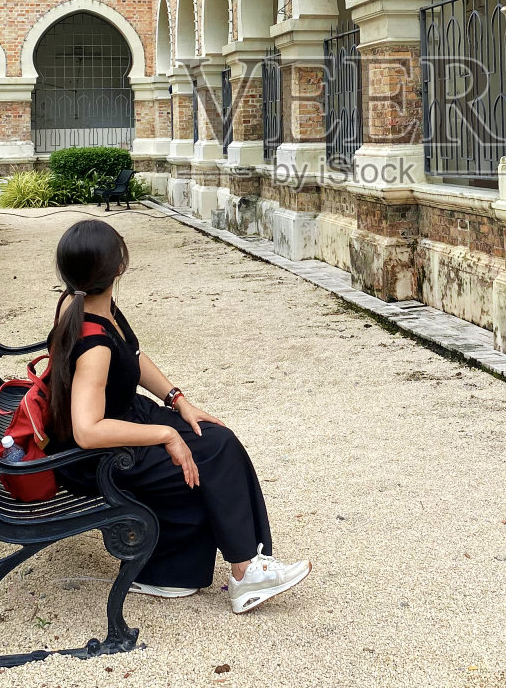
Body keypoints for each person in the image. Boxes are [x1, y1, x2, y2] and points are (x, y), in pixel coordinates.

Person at [44, 217, 311, 614]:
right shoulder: (93, 343)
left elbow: (131, 354)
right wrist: (166, 436)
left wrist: (177, 400)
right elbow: (87, 430)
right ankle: (244, 571)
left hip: (125, 420)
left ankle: (174, 571)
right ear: (118, 268)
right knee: (214, 452)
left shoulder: (84, 301)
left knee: (215, 437)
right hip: (98, 456)